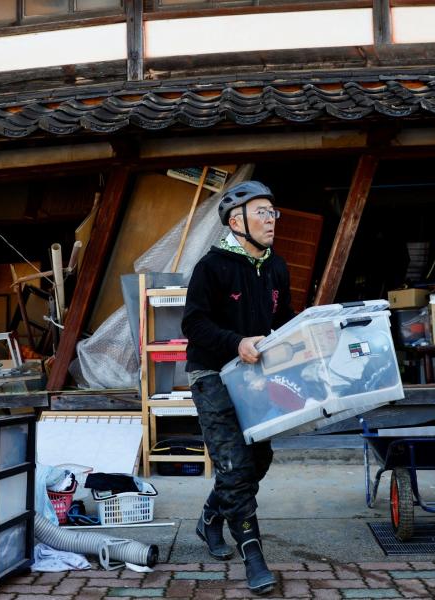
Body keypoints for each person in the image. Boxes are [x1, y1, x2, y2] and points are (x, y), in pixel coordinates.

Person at [182, 180, 294, 595]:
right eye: (262, 212)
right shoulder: (210, 267)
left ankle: (211, 518)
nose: (271, 220)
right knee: (233, 465)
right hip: (211, 373)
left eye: (273, 212)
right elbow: (193, 323)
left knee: (258, 460)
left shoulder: (276, 266)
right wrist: (236, 342)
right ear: (236, 220)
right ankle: (254, 556)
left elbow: (285, 319)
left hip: (256, 376)